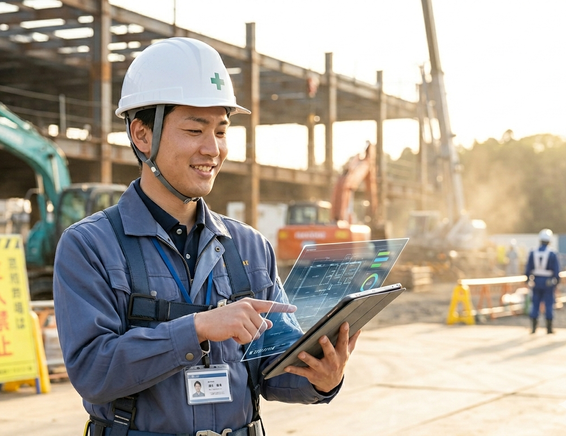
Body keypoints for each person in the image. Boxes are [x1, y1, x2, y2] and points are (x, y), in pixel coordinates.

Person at [53, 37, 359, 436]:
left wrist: (321, 377)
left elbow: (271, 370)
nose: (213, 149)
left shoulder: (250, 248)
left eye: (221, 131)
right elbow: (94, 372)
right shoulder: (90, 246)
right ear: (141, 135)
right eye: (195, 129)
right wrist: (196, 329)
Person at [524, 229, 560, 334]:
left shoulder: (533, 252)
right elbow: (556, 270)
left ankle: (534, 327)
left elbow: (528, 268)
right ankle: (549, 328)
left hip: (536, 281)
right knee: (548, 304)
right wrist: (557, 281)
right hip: (548, 282)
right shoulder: (552, 253)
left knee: (535, 303)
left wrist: (527, 279)